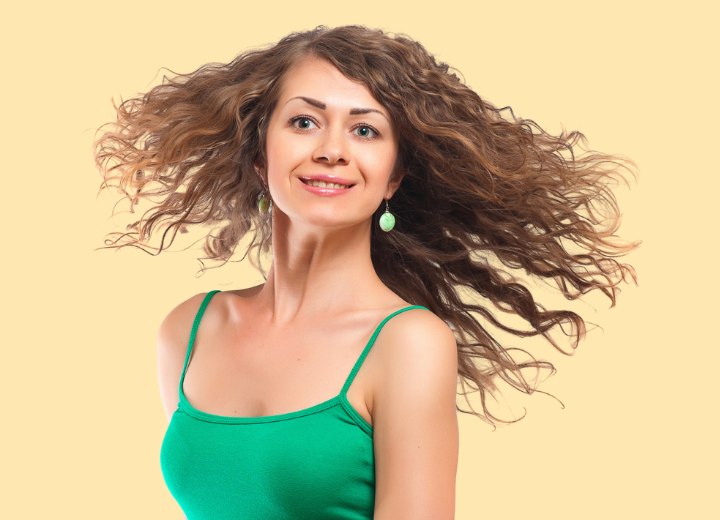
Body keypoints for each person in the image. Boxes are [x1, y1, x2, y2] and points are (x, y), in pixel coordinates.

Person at [93, 24, 639, 520]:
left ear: (394, 177)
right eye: (304, 122)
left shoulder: (407, 343)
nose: (332, 150)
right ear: (260, 154)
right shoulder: (189, 330)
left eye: (366, 131)